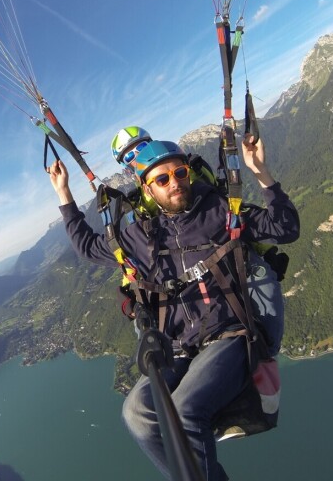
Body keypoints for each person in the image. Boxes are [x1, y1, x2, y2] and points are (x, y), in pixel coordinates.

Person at [49, 135, 300, 481]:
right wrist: (64, 195)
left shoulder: (220, 212)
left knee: (184, 411)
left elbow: (286, 227)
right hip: (180, 347)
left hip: (230, 336)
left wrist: (261, 173)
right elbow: (89, 248)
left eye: (180, 173)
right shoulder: (141, 237)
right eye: (163, 179)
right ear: (147, 188)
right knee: (136, 413)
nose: (176, 183)